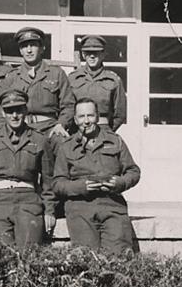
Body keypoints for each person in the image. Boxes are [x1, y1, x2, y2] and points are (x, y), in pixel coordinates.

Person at [0, 89, 56, 249]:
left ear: (26, 110)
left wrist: (49, 211)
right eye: (9, 111)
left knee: (29, 254)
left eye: (19, 110)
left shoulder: (39, 139)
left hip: (28, 203)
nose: (14, 115)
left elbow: (48, 182)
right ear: (3, 113)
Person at [52, 97, 140, 254]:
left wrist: (120, 183)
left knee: (119, 256)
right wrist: (80, 187)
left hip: (112, 205)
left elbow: (133, 171)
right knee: (87, 257)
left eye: (90, 116)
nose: (86, 121)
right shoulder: (67, 147)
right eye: (81, 117)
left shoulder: (115, 141)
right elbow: (58, 183)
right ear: (75, 120)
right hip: (80, 208)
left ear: (98, 117)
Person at [3, 27, 75, 149]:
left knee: (62, 144)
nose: (29, 50)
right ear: (21, 50)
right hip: (20, 128)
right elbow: (1, 108)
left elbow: (68, 105)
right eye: (25, 46)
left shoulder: (56, 73)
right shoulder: (12, 76)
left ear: (42, 48)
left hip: (49, 127)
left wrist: (61, 124)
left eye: (33, 45)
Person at [68, 35, 126, 132]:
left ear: (103, 54)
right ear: (83, 55)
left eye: (96, 52)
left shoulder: (113, 80)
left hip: (103, 130)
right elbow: (67, 107)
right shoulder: (72, 78)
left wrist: (108, 131)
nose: (92, 56)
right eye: (88, 53)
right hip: (78, 130)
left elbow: (120, 114)